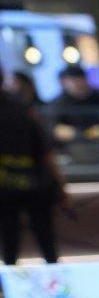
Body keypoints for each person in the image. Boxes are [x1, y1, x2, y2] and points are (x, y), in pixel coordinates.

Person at [0, 86, 63, 265]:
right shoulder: (23, 108)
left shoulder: (21, 108)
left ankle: (8, 288)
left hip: (8, 188)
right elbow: (46, 151)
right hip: (36, 183)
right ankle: (56, 285)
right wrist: (61, 187)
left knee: (9, 243)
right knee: (46, 241)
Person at [49, 66, 99, 142]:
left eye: (80, 79)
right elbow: (56, 130)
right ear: (63, 83)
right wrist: (84, 134)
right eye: (73, 81)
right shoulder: (58, 103)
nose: (78, 84)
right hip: (75, 147)